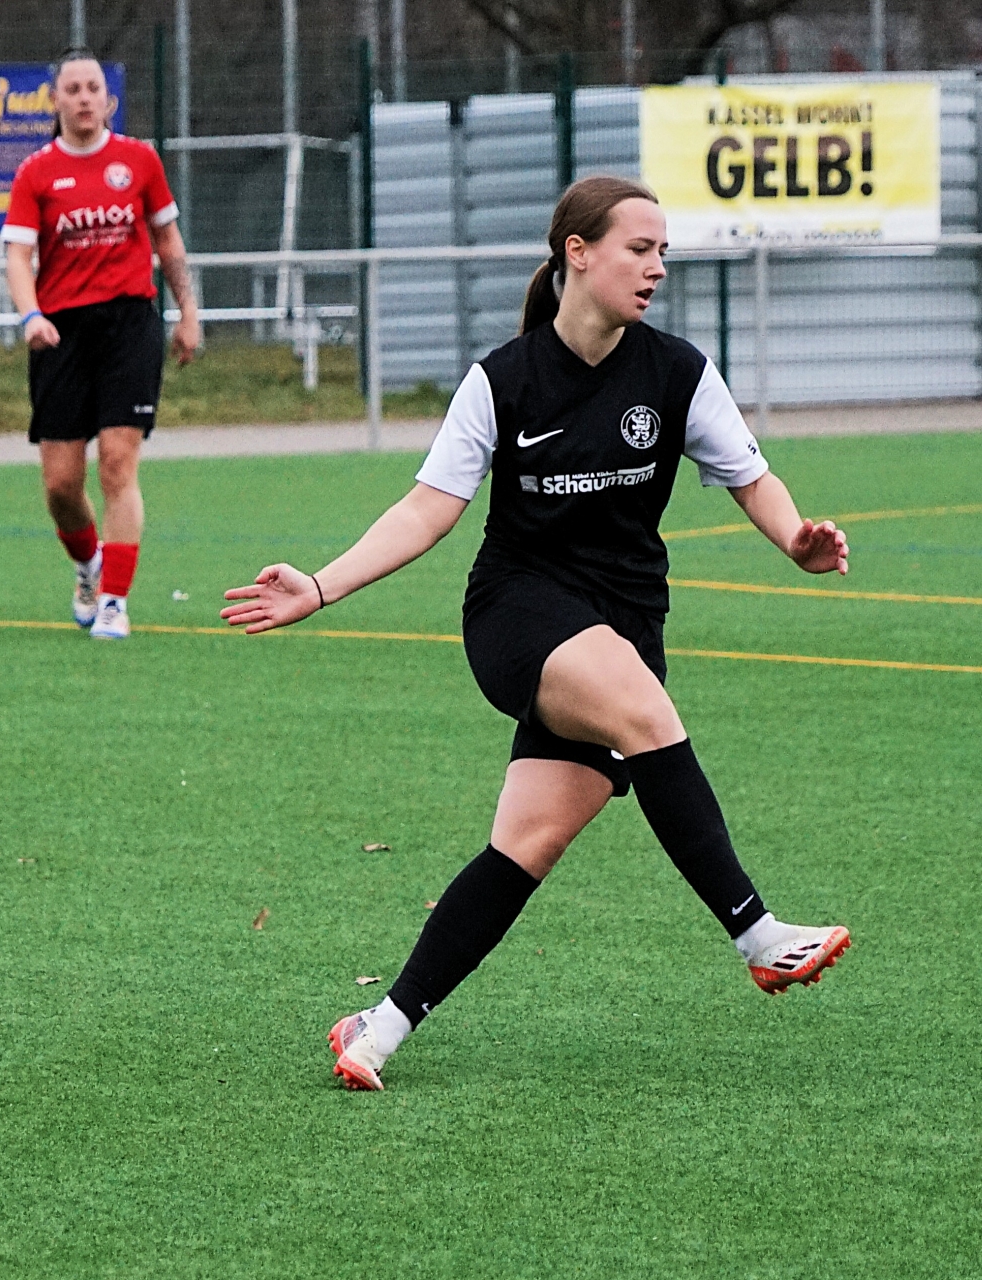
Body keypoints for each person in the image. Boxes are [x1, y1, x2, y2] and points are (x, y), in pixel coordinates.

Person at [222, 176, 853, 1092]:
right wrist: (320, 586)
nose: (658, 268)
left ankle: (375, 1030)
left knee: (528, 844)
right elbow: (426, 510)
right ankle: (758, 936)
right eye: (640, 249)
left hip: (625, 623)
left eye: (664, 251)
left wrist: (795, 539)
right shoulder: (502, 380)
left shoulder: (678, 372)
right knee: (646, 712)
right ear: (578, 253)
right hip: (519, 613)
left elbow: (754, 479)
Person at [2, 50, 201, 639]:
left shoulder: (139, 160)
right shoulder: (36, 172)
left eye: (93, 87)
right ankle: (89, 566)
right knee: (61, 486)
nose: (84, 97)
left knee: (117, 464)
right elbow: (17, 254)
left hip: (129, 326)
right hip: (60, 331)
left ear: (108, 101)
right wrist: (31, 315)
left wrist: (188, 312)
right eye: (73, 88)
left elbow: (168, 240)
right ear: (56, 100)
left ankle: (114, 600)